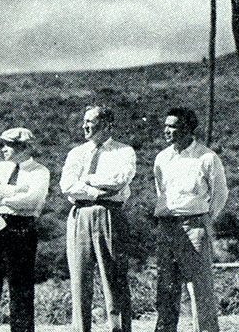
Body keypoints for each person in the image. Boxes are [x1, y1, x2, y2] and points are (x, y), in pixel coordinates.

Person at [60, 105, 136, 332]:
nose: (84, 126)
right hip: (79, 215)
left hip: (109, 214)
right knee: (79, 280)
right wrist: (96, 192)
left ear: (107, 125)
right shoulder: (76, 153)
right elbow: (67, 185)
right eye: (84, 121)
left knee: (113, 278)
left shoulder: (124, 152)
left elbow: (119, 180)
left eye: (90, 121)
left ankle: (118, 329)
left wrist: (87, 179)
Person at [153, 107, 228, 332]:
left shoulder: (207, 157)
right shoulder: (162, 158)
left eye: (173, 126)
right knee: (166, 286)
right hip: (167, 226)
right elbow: (161, 192)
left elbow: (220, 193)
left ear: (187, 128)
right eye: (166, 125)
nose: (167, 130)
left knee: (200, 287)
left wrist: (204, 219)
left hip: (194, 226)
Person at [0, 127, 50, 332]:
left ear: (23, 147)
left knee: (21, 285)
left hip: (21, 227)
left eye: (8, 145)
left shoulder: (40, 172)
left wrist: (1, 197)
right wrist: (15, 191)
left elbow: (32, 200)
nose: (3, 149)